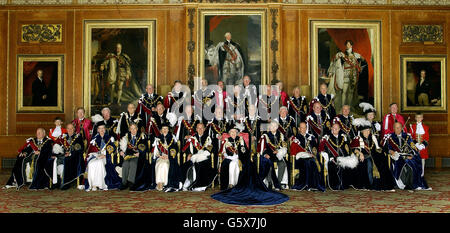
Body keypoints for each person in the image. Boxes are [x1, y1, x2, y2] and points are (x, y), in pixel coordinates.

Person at [382, 122, 430, 190]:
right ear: (394, 128)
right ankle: (405, 184)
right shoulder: (389, 137)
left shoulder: (407, 136)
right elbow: (384, 148)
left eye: (399, 128)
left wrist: (411, 154)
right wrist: (390, 151)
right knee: (403, 162)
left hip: (407, 155)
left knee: (413, 162)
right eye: (396, 128)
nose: (398, 129)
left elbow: (412, 148)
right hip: (396, 156)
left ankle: (413, 183)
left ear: (402, 128)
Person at [351, 118, 395, 191]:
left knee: (383, 161)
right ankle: (370, 185)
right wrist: (360, 153)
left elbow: (379, 147)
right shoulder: (357, 138)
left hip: (374, 154)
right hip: (364, 156)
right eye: (366, 130)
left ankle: (386, 185)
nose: (368, 132)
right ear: (362, 131)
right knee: (368, 163)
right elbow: (353, 148)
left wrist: (384, 151)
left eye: (369, 130)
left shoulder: (373, 137)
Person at [327, 40, 367, 110]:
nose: (348, 46)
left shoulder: (356, 55)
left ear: (351, 46)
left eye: (349, 44)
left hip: (353, 76)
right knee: (344, 91)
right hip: (345, 74)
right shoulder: (342, 54)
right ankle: (343, 106)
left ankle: (349, 106)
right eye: (347, 44)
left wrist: (360, 66)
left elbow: (363, 60)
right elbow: (335, 60)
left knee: (351, 92)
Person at [319, 123, 358, 191]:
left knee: (351, 164)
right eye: (334, 128)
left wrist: (347, 156)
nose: (335, 129)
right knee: (332, 165)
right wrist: (331, 157)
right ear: (331, 128)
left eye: (337, 128)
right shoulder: (327, 138)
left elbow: (347, 148)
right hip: (332, 158)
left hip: (342, 157)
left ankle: (345, 184)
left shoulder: (343, 137)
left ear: (339, 129)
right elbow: (325, 149)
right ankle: (335, 185)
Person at [85, 123, 121, 191]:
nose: (101, 130)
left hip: (106, 157)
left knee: (99, 163)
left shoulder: (110, 138)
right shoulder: (94, 139)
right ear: (98, 130)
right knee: (91, 164)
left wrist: (105, 155)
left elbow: (113, 151)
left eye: (103, 128)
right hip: (96, 156)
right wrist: (96, 155)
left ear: (105, 129)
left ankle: (99, 184)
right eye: (100, 128)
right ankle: (92, 184)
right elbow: (91, 150)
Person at [181, 123, 217, 191]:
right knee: (185, 166)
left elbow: (210, 150)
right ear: (196, 129)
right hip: (193, 158)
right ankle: (186, 182)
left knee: (201, 165)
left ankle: (198, 185)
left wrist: (199, 155)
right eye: (198, 128)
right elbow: (188, 148)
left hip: (205, 158)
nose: (200, 130)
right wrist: (189, 153)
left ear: (204, 129)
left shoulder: (208, 138)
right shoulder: (193, 137)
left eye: (201, 128)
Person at [290, 122, 325, 192]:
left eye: (305, 127)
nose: (303, 129)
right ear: (299, 129)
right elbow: (294, 152)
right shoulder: (296, 138)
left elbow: (315, 149)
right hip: (300, 159)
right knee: (307, 162)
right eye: (302, 128)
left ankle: (316, 185)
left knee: (317, 163)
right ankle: (307, 184)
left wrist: (313, 154)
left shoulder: (311, 137)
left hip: (311, 157)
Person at [51, 123, 85, 190]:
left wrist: (70, 153)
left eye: (71, 128)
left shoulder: (78, 137)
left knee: (66, 160)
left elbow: (79, 148)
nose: (70, 130)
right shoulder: (63, 137)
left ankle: (65, 183)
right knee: (54, 160)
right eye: (68, 128)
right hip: (63, 155)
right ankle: (56, 182)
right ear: (66, 129)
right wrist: (55, 154)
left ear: (74, 129)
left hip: (74, 157)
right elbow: (57, 146)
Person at [258, 121, 289, 190]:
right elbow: (262, 148)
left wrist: (279, 151)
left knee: (282, 164)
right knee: (269, 164)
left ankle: (279, 183)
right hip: (268, 155)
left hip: (278, 155)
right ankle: (269, 182)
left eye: (275, 126)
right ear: (269, 127)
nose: (273, 127)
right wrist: (265, 154)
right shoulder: (265, 136)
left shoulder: (281, 135)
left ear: (277, 127)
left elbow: (283, 146)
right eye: (271, 126)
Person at [152, 123, 183, 192]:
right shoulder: (158, 138)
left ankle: (165, 183)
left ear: (168, 130)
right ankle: (159, 183)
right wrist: (159, 155)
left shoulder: (172, 138)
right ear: (161, 130)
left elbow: (175, 149)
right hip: (160, 157)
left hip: (169, 158)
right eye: (163, 129)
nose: (164, 130)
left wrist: (168, 156)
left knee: (165, 165)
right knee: (159, 164)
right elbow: (155, 150)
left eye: (166, 129)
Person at [118, 123, 148, 190]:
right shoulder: (126, 136)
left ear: (137, 129)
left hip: (137, 156)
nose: (133, 130)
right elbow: (120, 146)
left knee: (133, 163)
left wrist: (140, 153)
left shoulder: (142, 136)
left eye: (134, 128)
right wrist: (121, 151)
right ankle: (124, 183)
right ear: (129, 130)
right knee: (125, 164)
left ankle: (131, 182)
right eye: (131, 129)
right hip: (128, 155)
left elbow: (145, 147)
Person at [407, 112, 430, 178]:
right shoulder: (412, 127)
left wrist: (422, 146)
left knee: (422, 160)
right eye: (417, 117)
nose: (419, 119)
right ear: (415, 118)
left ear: (422, 118)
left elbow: (427, 138)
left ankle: (422, 173)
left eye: (420, 117)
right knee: (415, 159)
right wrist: (416, 144)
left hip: (422, 147)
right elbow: (411, 137)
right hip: (415, 146)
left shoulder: (426, 127)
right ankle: (415, 172)